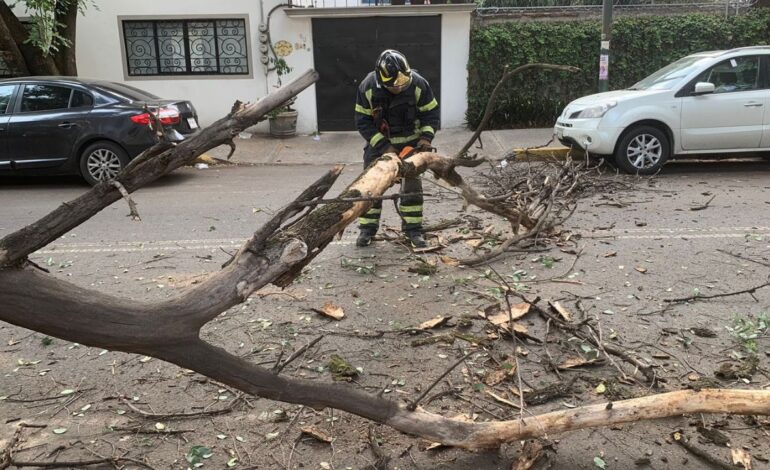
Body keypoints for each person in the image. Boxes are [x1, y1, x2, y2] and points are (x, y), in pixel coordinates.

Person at [353, 49, 440, 248]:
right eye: (394, 86)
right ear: (382, 80)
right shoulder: (367, 87)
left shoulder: (418, 83)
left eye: (403, 84)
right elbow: (362, 121)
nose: (399, 88)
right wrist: (385, 147)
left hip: (411, 146)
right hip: (379, 146)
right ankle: (367, 229)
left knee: (411, 189)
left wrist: (426, 139)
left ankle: (413, 231)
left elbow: (431, 113)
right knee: (372, 188)